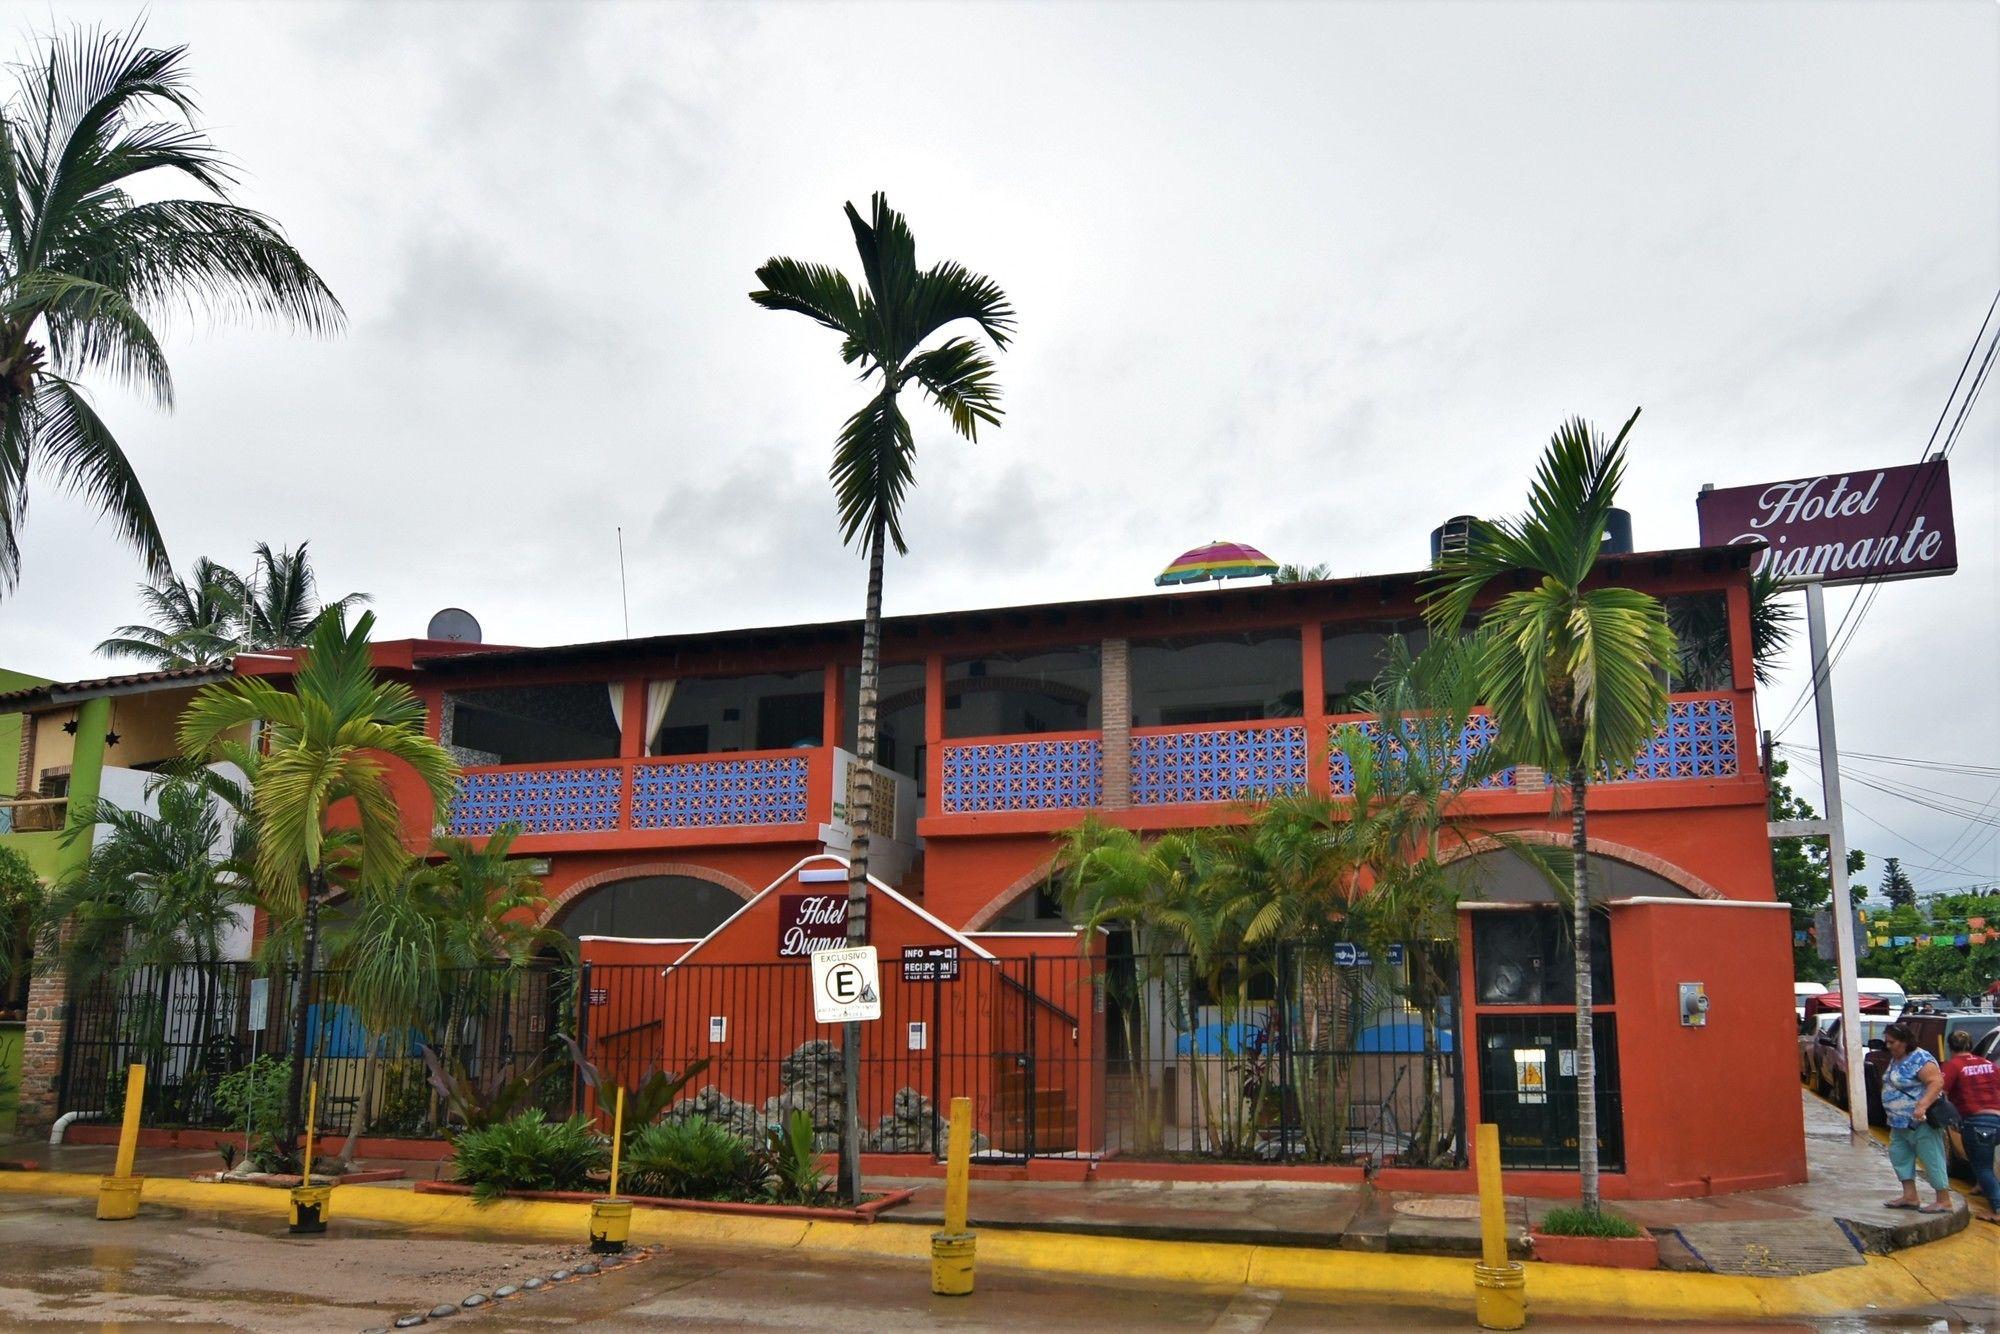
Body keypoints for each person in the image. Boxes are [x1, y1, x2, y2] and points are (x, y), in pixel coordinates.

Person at [1879, 1022, 1955, 1215]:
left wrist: (1922, 1106)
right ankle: (1910, 1196)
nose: (1888, 1046)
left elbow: (1936, 1082)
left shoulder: (1920, 1058)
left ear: (1905, 1041)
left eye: (1892, 1042)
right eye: (1886, 1042)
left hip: (1919, 1121)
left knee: (1931, 1157)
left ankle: (1943, 1200)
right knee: (1899, 1156)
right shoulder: (1896, 1059)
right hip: (1898, 1122)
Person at [1940, 1030, 2000, 1222]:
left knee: (1982, 1166)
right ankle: (1980, 1185)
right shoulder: (1988, 1064)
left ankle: (1997, 1209)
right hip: (1997, 1119)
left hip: (1977, 1122)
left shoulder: (1954, 1066)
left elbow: (1940, 1092)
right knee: (1983, 1159)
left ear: (1950, 1048)